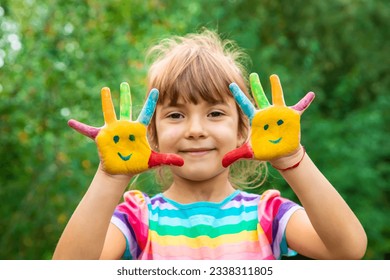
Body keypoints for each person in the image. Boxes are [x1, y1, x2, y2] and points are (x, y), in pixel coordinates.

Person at [53, 29, 367, 260]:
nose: (195, 130)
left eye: (215, 113)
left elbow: (347, 252)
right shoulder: (138, 219)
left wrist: (292, 159)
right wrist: (111, 176)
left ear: (244, 128)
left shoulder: (267, 215)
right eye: (176, 115)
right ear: (152, 134)